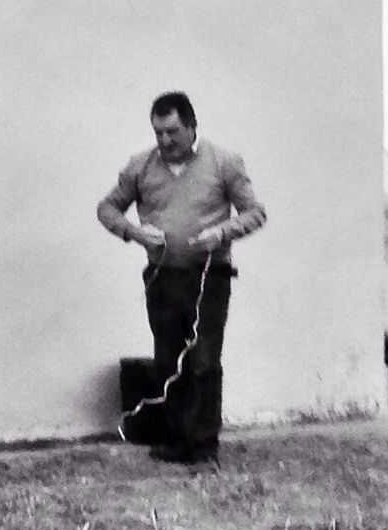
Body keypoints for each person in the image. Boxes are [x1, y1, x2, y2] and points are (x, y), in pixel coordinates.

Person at [97, 92, 267, 465]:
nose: (165, 141)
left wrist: (222, 233)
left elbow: (255, 213)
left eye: (172, 131)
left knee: (204, 360)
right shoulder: (140, 167)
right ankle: (176, 441)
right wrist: (134, 232)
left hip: (210, 276)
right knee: (168, 361)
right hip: (161, 278)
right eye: (158, 132)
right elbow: (107, 209)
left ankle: (204, 445)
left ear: (192, 127)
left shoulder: (224, 162)